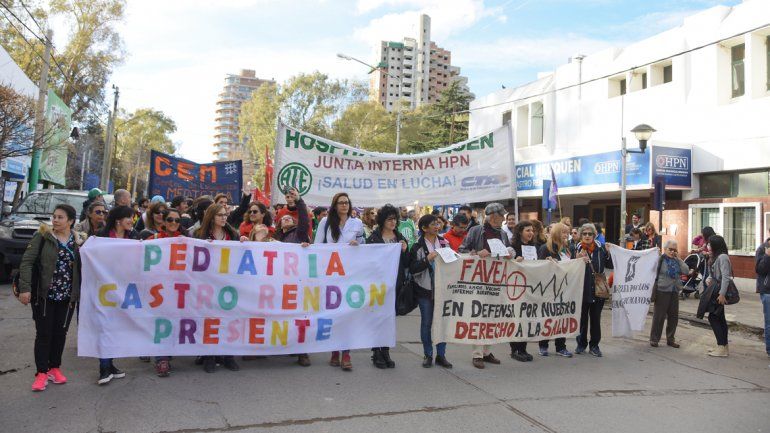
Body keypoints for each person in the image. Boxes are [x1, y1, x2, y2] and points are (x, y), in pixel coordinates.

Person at [18, 204, 82, 392]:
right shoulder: (43, 237)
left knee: (60, 334)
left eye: (60, 217)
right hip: (45, 295)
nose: (55, 220)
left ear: (70, 221)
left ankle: (54, 368)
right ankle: (41, 373)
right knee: (44, 334)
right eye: (54, 216)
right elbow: (27, 262)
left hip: (68, 296)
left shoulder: (77, 241)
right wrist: (25, 288)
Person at [313, 192, 364, 371]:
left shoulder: (357, 223)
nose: (344, 205)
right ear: (335, 206)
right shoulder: (325, 223)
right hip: (331, 276)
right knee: (333, 314)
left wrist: (359, 245)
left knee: (348, 314)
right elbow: (317, 246)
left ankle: (346, 353)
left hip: (350, 275)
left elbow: (364, 244)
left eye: (347, 203)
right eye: (341, 203)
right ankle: (334, 351)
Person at [458, 203, 509, 369]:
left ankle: (487, 351)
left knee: (492, 317)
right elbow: (462, 250)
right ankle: (477, 354)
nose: (499, 219)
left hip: (497, 280)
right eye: (496, 216)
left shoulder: (503, 234)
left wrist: (510, 255)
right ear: (490, 216)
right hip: (479, 281)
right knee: (479, 316)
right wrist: (476, 254)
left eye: (501, 216)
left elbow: (508, 252)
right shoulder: (476, 231)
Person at [194, 204, 240, 372]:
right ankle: (209, 356)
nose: (223, 218)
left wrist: (243, 243)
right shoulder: (200, 235)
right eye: (220, 215)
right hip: (208, 284)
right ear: (211, 217)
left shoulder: (233, 234)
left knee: (228, 320)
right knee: (209, 320)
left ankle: (228, 355)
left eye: (225, 215)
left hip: (228, 284)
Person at [94, 206, 138, 384]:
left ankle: (111, 365)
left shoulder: (134, 236)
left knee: (116, 329)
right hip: (105, 289)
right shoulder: (102, 236)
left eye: (133, 218)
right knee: (105, 327)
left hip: (126, 291)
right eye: (129, 217)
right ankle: (103, 369)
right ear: (118, 219)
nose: (131, 221)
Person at [366, 204, 409, 369]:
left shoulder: (399, 238)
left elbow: (406, 264)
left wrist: (405, 250)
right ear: (382, 220)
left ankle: (385, 350)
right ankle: (376, 351)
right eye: (390, 219)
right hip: (378, 285)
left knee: (389, 320)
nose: (393, 222)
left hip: (395, 285)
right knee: (378, 319)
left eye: (395, 219)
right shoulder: (374, 238)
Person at [410, 214, 453, 369]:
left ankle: (441, 355)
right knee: (427, 323)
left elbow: (453, 263)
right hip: (425, 290)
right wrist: (427, 259)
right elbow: (413, 269)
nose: (437, 226)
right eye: (433, 224)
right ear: (424, 228)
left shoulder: (444, 242)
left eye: (438, 224)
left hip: (443, 289)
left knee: (442, 322)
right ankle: (428, 354)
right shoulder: (417, 246)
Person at [574, 223, 613, 357]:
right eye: (584, 234)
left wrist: (609, 252)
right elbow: (570, 267)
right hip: (583, 288)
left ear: (594, 235)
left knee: (596, 319)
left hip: (598, 288)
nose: (587, 236)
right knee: (582, 319)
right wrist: (577, 259)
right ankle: (581, 344)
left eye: (590, 234)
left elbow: (610, 265)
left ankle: (595, 345)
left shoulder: (601, 248)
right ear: (581, 235)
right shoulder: (577, 248)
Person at [537, 223, 574, 358]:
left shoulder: (568, 249)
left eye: (567, 232)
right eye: (563, 232)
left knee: (562, 318)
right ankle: (543, 345)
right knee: (548, 317)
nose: (566, 235)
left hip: (565, 288)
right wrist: (547, 262)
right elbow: (539, 267)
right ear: (556, 233)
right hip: (549, 289)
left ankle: (561, 346)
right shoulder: (545, 248)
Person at [650, 240, 690, 349]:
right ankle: (654, 339)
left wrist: (679, 258)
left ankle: (670, 339)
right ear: (665, 249)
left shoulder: (677, 260)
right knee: (659, 317)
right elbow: (650, 269)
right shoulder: (660, 259)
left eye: (674, 250)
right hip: (662, 290)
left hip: (674, 290)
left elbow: (686, 271)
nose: (672, 252)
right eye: (670, 249)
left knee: (673, 317)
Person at [509, 220, 537, 361]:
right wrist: (516, 261)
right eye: (528, 230)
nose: (531, 233)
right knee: (517, 319)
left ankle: (523, 348)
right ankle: (515, 349)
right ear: (520, 232)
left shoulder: (533, 247)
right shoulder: (512, 247)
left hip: (530, 287)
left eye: (532, 230)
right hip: (516, 287)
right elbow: (506, 265)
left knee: (526, 319)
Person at [704, 235, 733, 357]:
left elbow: (726, 276)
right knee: (720, 318)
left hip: (719, 292)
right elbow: (715, 274)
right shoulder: (716, 257)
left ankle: (722, 346)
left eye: (710, 244)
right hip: (715, 289)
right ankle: (723, 346)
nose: (708, 246)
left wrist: (722, 294)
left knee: (713, 317)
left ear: (716, 245)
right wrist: (709, 279)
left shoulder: (723, 257)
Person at [754, 228, 770, 357]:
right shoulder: (762, 249)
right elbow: (760, 270)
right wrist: (767, 256)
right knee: (769, 322)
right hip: (767, 291)